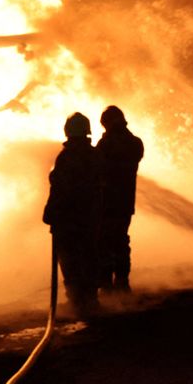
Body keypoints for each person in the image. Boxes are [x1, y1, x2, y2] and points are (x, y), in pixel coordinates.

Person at [43, 113, 102, 315]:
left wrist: (50, 212)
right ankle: (91, 299)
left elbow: (60, 189)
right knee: (90, 255)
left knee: (69, 259)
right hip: (90, 217)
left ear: (68, 132)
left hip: (68, 219)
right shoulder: (95, 156)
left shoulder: (67, 158)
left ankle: (77, 301)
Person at [96, 105, 144, 293]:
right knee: (121, 241)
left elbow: (98, 167)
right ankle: (122, 282)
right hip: (125, 203)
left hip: (107, 203)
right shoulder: (135, 143)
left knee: (105, 242)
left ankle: (107, 283)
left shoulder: (106, 144)